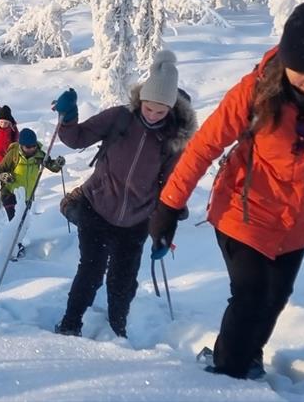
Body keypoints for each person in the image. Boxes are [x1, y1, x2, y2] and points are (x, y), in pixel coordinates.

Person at [148, 0, 304, 379]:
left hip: (296, 224)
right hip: (242, 214)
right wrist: (168, 208)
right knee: (250, 297)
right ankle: (226, 374)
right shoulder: (255, 92)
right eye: (302, 75)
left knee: (275, 299)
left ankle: (250, 355)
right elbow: (202, 148)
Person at [51, 50, 198, 338]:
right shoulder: (119, 118)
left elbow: (170, 189)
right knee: (90, 272)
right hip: (97, 206)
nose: (153, 115)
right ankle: (70, 325)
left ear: (170, 109)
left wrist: (164, 232)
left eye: (161, 111)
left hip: (136, 221)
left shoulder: (171, 141)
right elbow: (75, 138)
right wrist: (68, 117)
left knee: (123, 281)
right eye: (148, 107)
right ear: (141, 99)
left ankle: (118, 330)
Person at [0, 127, 66, 221]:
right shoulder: (13, 154)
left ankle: (20, 236)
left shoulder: (39, 155)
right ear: (21, 145)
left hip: (27, 196)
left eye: (34, 146)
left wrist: (58, 164)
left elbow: (52, 166)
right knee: (15, 221)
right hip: (10, 194)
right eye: (28, 147)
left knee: (22, 223)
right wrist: (4, 176)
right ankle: (10, 235)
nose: (32, 149)